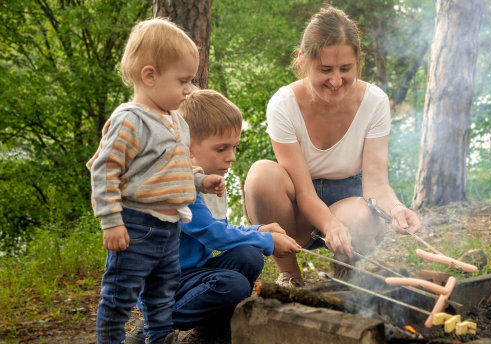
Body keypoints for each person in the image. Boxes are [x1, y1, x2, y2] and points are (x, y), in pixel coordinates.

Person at [243, 6, 421, 288]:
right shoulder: (283, 105)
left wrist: (397, 208)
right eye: (325, 69)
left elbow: (375, 182)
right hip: (298, 208)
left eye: (346, 69)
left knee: (361, 215)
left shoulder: (374, 102)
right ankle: (290, 275)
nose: (336, 81)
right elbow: (303, 191)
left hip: (350, 203)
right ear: (303, 61)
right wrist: (329, 225)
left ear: (357, 62)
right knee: (261, 176)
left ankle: (348, 273)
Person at [125, 89, 301, 344]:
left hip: (191, 273)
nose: (231, 156)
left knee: (248, 256)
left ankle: (209, 329)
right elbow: (213, 234)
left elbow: (223, 232)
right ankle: (150, 327)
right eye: (221, 148)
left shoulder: (211, 179)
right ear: (189, 147)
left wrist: (258, 231)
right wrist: (269, 242)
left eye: (234, 147)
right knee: (233, 285)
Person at [87, 18, 225, 344]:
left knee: (161, 294)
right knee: (120, 292)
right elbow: (104, 170)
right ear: (150, 75)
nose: (189, 89)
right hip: (135, 225)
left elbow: (173, 170)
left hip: (169, 226)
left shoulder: (177, 122)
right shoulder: (129, 121)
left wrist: (200, 182)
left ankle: (160, 339)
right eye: (183, 80)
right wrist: (111, 221)